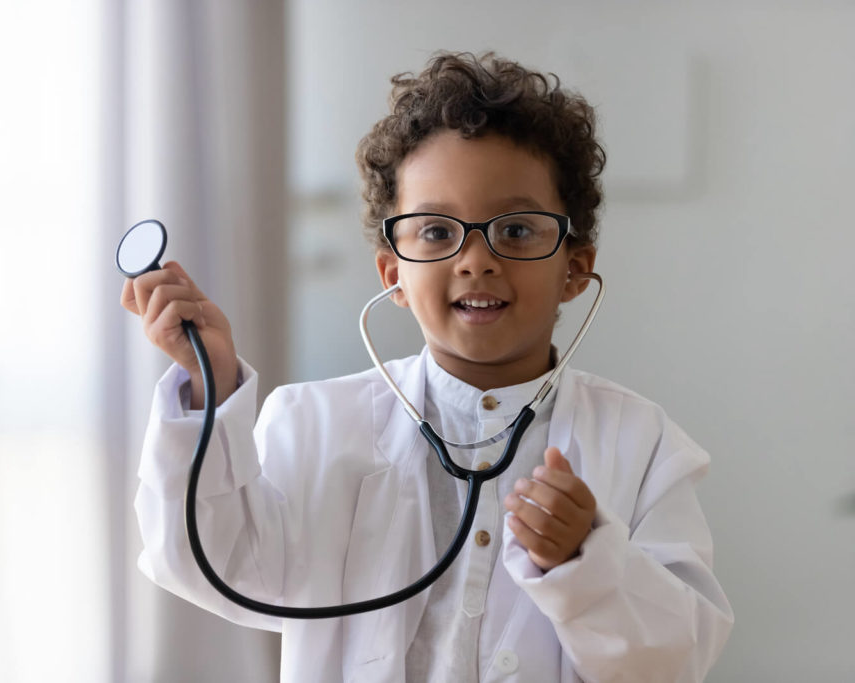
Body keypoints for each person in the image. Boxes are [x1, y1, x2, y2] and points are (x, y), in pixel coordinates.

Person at [121, 51, 733, 682]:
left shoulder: (643, 445)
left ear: (574, 268)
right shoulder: (316, 423)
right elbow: (211, 565)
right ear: (394, 275)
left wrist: (587, 561)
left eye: (518, 231)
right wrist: (210, 389)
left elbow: (677, 657)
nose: (476, 259)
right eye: (438, 232)